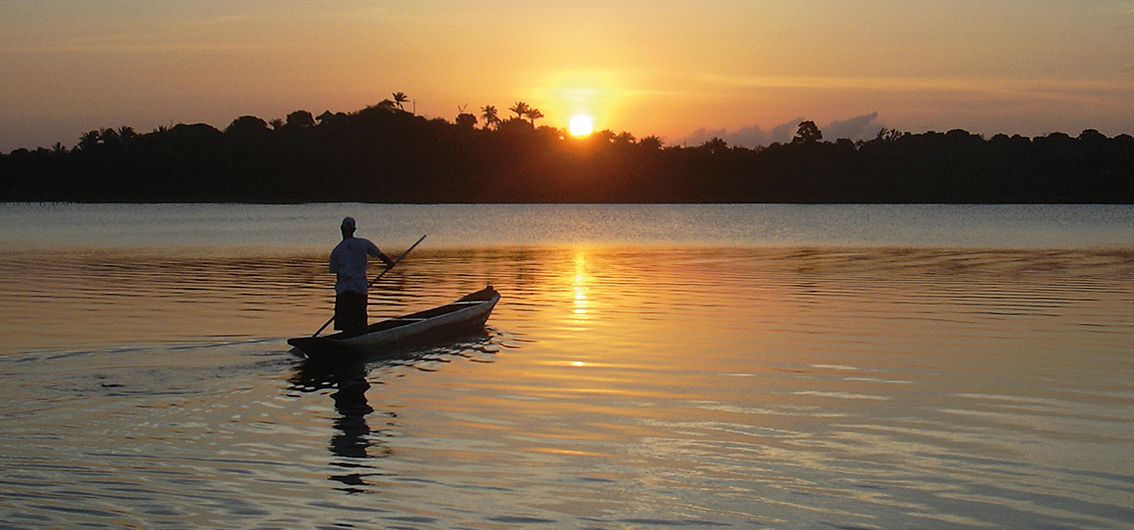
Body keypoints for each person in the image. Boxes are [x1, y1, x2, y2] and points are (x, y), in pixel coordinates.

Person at [329, 216, 393, 333]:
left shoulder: (337, 250)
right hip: (358, 288)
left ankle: (350, 337)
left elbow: (337, 274)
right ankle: (356, 337)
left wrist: (388, 263)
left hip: (345, 289)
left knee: (346, 323)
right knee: (358, 320)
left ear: (341, 229)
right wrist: (389, 263)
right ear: (354, 229)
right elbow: (380, 256)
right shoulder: (363, 243)